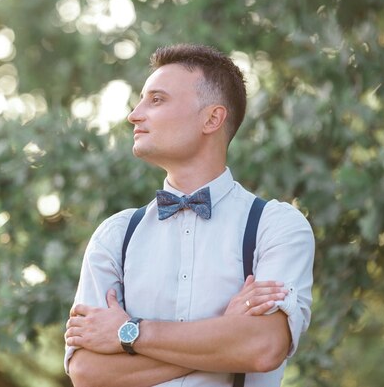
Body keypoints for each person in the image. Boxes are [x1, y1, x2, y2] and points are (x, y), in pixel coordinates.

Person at [64, 44, 315, 387]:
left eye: (156, 100)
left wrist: (128, 332)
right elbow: (87, 373)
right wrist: (224, 342)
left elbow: (262, 346)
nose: (134, 115)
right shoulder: (115, 235)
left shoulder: (277, 226)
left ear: (212, 118)